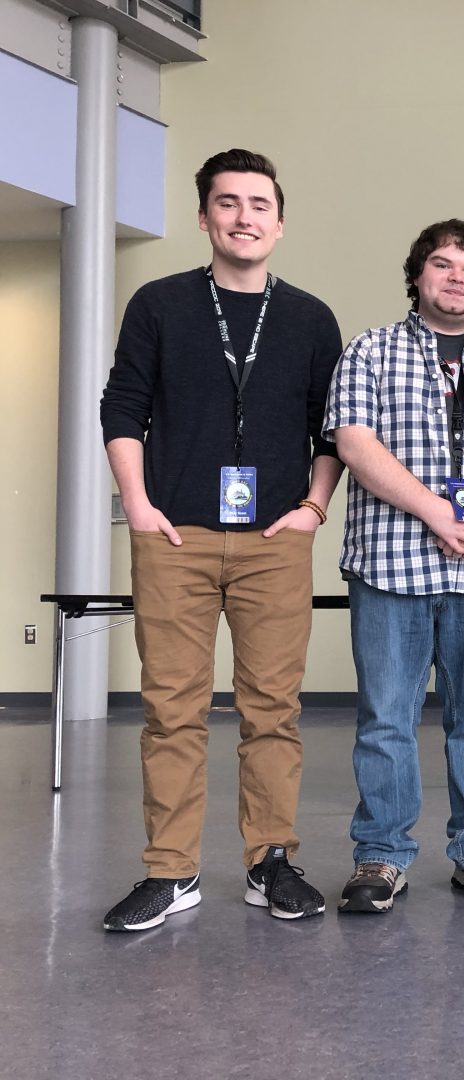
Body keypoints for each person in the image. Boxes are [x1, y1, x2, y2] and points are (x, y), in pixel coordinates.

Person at [99, 148, 341, 930]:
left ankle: (270, 862)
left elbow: (331, 429)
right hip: (176, 536)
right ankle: (171, 872)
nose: (245, 217)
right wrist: (135, 503)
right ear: (204, 217)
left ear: (281, 220)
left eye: (260, 204)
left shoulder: (308, 316)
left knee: (273, 707)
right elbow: (122, 408)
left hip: (276, 539)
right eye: (228, 203)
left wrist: (313, 505)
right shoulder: (160, 304)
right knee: (173, 709)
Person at [325, 219, 464, 913]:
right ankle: (380, 858)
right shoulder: (369, 351)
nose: (457, 279)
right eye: (443, 266)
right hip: (391, 568)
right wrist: (436, 512)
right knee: (386, 718)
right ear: (418, 276)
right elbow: (355, 443)